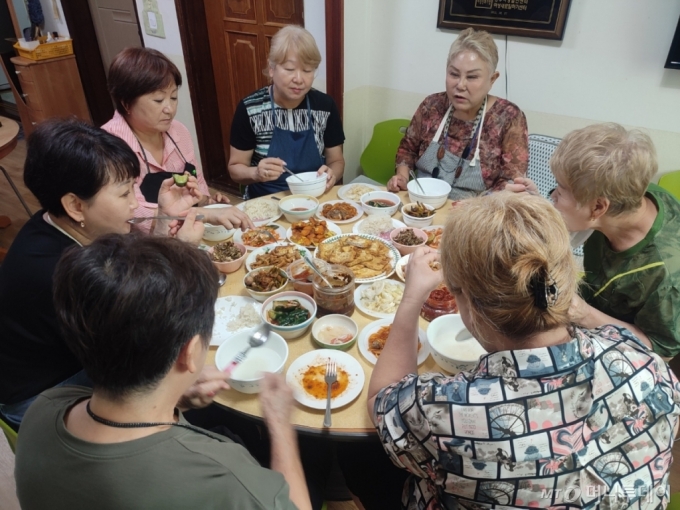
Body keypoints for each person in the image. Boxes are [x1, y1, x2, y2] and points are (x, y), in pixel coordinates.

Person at [368, 192, 680, 509]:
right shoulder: (643, 360)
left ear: (468, 305)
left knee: (364, 465)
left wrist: (411, 300)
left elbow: (381, 400)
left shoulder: (447, 411)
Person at [15, 234, 311, 510]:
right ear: (190, 351)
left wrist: (176, 399)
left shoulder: (44, 408)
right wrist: (280, 424)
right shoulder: (222, 475)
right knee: (316, 458)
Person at [0, 119, 239, 429]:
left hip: (83, 352)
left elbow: (137, 286)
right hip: (42, 397)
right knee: (193, 379)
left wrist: (165, 225)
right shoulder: (61, 273)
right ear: (74, 205)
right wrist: (184, 253)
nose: (134, 204)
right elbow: (150, 325)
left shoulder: (59, 222)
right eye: (125, 193)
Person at [507, 123, 680, 357]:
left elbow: (659, 348)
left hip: (622, 352)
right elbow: (577, 219)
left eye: (560, 188)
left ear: (598, 206)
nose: (553, 195)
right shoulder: (629, 194)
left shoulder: (664, 277)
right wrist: (536, 202)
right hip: (592, 304)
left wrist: (584, 314)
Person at [102, 47, 244, 233]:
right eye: (159, 100)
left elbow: (199, 184)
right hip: (139, 250)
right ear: (126, 103)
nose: (169, 109)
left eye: (174, 97)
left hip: (185, 234)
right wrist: (205, 214)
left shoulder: (179, 131)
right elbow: (134, 215)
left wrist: (206, 201)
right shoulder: (109, 146)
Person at [387, 28, 528, 199]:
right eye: (454, 74)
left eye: (472, 77)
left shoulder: (509, 117)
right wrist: (402, 177)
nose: (460, 85)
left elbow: (511, 183)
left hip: (475, 214)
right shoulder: (432, 106)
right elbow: (407, 150)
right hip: (420, 203)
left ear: (492, 79)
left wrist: (476, 207)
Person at [228, 25, 345, 198]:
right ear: (272, 68)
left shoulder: (325, 106)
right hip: (267, 201)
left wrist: (332, 174)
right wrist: (256, 173)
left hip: (314, 198)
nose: (298, 79)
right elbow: (235, 168)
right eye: (290, 69)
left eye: (307, 70)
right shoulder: (250, 109)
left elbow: (337, 161)